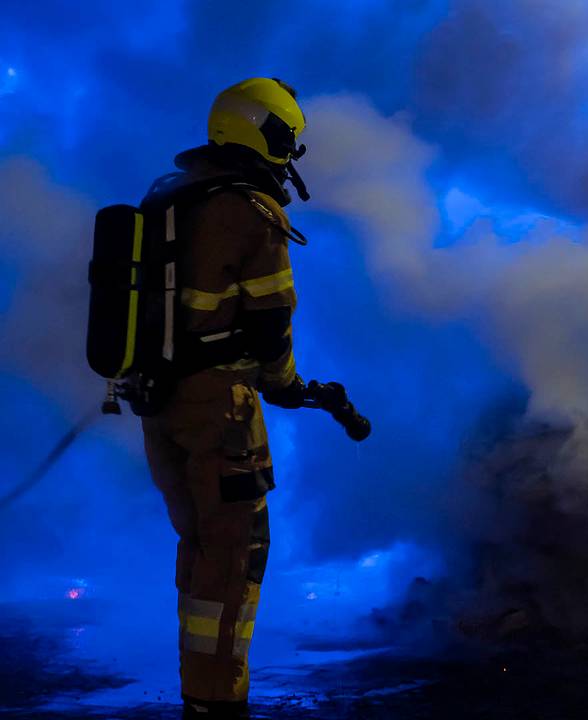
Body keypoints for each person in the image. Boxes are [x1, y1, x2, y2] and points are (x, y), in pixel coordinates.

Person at [141, 77, 311, 718]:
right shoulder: (250, 209)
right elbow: (271, 324)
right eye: (286, 139)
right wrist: (288, 386)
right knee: (235, 557)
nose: (290, 154)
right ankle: (218, 704)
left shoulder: (171, 199)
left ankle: (200, 695)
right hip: (222, 414)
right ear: (263, 131)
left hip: (163, 407)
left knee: (202, 549)